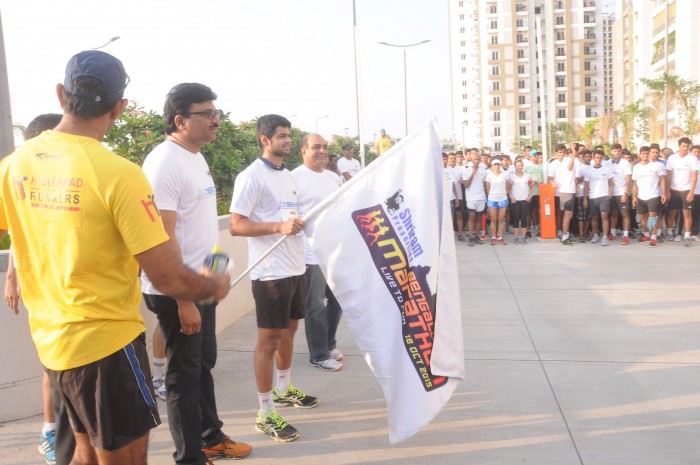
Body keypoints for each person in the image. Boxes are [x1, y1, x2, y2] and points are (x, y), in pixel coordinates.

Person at [0, 50, 231, 465]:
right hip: (105, 344)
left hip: (53, 343)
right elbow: (165, 276)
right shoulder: (119, 174)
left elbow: (20, 230)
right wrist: (212, 284)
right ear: (120, 108)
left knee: (86, 455)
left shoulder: (14, 165)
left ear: (60, 95)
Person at [140, 83, 252, 464]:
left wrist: (217, 274)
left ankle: (210, 436)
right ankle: (190, 457)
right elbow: (161, 237)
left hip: (199, 283)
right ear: (180, 120)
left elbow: (203, 231)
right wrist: (184, 298)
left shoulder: (195, 156)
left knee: (204, 363)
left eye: (216, 112)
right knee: (183, 377)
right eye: (207, 113)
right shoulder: (164, 162)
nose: (216, 120)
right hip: (176, 288)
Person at [229, 114, 318, 443]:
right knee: (268, 341)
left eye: (289, 135)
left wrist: (295, 223)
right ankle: (265, 412)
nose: (287, 141)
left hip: (296, 267)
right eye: (281, 136)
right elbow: (236, 225)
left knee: (291, 331)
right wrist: (277, 227)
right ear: (264, 140)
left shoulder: (288, 177)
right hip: (270, 273)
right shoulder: (251, 176)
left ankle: (283, 389)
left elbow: (286, 215)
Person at [4, 113, 74, 465]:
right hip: (43, 291)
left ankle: (65, 436)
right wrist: (11, 275)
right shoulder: (15, 172)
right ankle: (50, 432)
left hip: (71, 290)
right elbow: (17, 230)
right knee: (52, 367)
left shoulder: (66, 177)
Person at [291, 134, 344, 371]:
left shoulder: (334, 178)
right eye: (315, 147)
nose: (321, 151)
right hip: (310, 254)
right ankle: (319, 354)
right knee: (315, 305)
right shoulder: (294, 178)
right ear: (304, 151)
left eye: (324, 147)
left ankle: (329, 344)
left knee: (337, 301)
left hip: (334, 252)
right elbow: (290, 216)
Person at [665, 137, 698, 247]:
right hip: (674, 190)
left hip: (686, 190)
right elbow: (668, 175)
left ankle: (687, 236)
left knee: (687, 214)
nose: (685, 148)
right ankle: (670, 233)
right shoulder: (672, 158)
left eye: (687, 147)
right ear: (679, 146)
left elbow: (694, 176)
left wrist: (691, 191)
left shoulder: (693, 158)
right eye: (683, 146)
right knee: (672, 213)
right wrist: (667, 191)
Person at [632, 146, 666, 247]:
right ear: (640, 155)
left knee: (653, 217)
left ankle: (654, 238)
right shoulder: (636, 167)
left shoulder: (657, 166)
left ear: (649, 154)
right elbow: (634, 183)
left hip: (653, 195)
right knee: (642, 217)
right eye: (643, 154)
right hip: (641, 196)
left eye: (647, 153)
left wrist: (664, 193)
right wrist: (634, 196)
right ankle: (646, 234)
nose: (645, 155)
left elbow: (663, 180)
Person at [549, 144, 579, 245]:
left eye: (563, 152)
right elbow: (551, 177)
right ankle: (564, 235)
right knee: (565, 214)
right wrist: (574, 154)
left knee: (569, 214)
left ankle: (565, 234)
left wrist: (573, 155)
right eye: (559, 152)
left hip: (570, 190)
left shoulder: (568, 160)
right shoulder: (554, 164)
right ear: (556, 153)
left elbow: (572, 169)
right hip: (563, 191)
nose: (562, 154)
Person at [584, 150, 614, 246]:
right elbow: (586, 185)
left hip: (604, 196)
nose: (598, 160)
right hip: (593, 197)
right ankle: (595, 234)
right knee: (594, 217)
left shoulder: (606, 169)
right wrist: (585, 198)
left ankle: (605, 236)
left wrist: (610, 192)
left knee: (604, 215)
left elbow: (610, 182)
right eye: (597, 158)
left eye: (600, 158)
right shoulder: (589, 170)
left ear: (602, 158)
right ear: (593, 158)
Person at [607, 143, 633, 244]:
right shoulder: (607, 163)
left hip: (622, 192)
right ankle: (612, 233)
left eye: (618, 151)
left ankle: (625, 235)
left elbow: (628, 180)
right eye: (614, 151)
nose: (616, 153)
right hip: (611, 193)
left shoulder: (625, 163)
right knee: (613, 213)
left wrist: (625, 193)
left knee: (624, 213)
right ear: (611, 151)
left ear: (621, 152)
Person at [461, 149, 487, 246]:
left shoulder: (483, 171)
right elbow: (466, 185)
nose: (476, 161)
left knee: (479, 217)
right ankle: (470, 237)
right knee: (471, 216)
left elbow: (484, 185)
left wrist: (486, 197)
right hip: (471, 198)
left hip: (481, 197)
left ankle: (477, 236)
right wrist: (473, 173)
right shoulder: (467, 170)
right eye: (475, 159)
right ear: (471, 160)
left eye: (478, 159)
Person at [485, 158, 511, 245]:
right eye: (494, 165)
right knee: (493, 219)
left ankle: (500, 237)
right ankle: (493, 237)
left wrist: (504, 194)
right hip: (492, 199)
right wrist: (494, 194)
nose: (496, 166)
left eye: (498, 164)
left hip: (503, 199)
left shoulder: (505, 175)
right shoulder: (489, 176)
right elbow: (488, 189)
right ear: (492, 166)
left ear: (500, 165)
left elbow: (507, 187)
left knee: (501, 219)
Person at [508, 159, 534, 244]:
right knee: (515, 219)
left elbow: (532, 186)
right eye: (518, 165)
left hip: (524, 200)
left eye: (521, 165)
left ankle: (523, 237)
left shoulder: (528, 176)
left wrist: (530, 195)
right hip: (515, 201)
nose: (520, 167)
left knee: (524, 219)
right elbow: (508, 188)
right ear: (515, 167)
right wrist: (511, 197)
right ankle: (516, 237)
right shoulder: (511, 177)